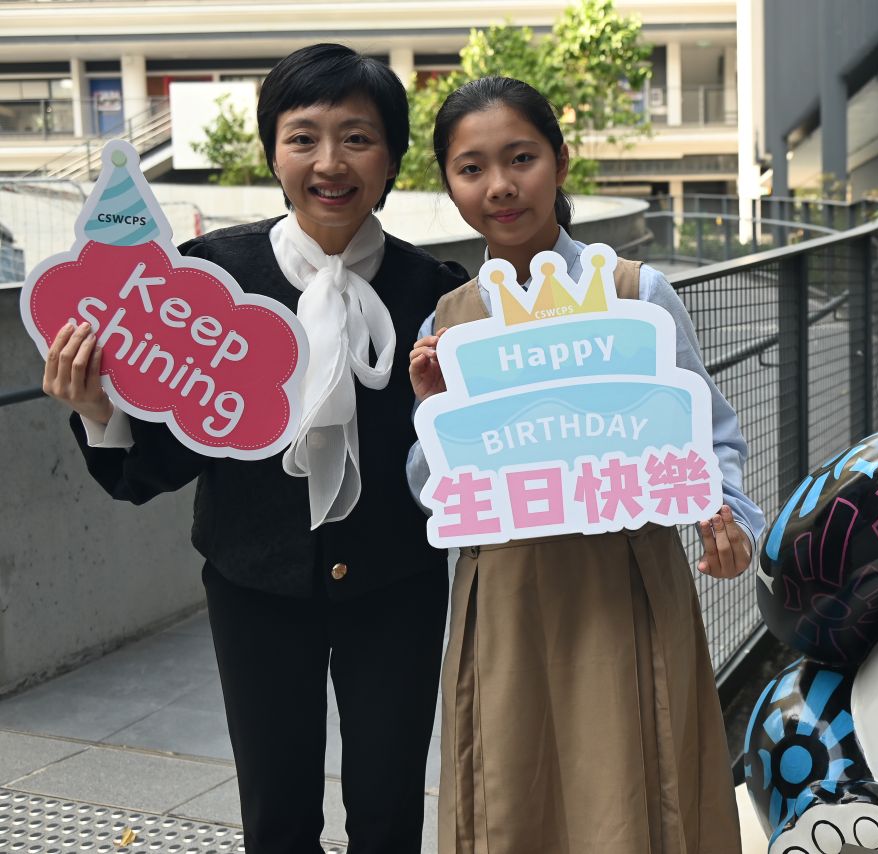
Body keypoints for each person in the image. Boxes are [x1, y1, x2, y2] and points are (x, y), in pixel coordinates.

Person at [41, 43, 467, 854]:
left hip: (399, 587)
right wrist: (101, 410)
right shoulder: (209, 279)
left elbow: (464, 462)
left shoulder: (437, 295)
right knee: (275, 815)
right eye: (303, 137)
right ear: (273, 151)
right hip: (252, 587)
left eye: (357, 138)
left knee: (390, 810)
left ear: (393, 158)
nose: (330, 162)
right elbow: (161, 462)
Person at [405, 75, 765, 854]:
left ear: (560, 161)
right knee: (512, 796)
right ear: (449, 185)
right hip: (503, 592)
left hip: (623, 580)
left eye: (521, 158)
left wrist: (727, 514)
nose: (500, 186)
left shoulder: (637, 293)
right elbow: (435, 490)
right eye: (471, 168)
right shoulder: (450, 322)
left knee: (635, 789)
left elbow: (707, 430)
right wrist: (434, 414)